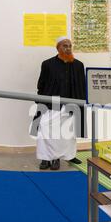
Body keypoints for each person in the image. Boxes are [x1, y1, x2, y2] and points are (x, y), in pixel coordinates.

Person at [32, 37, 86, 170]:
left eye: (70, 46)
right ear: (58, 48)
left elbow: (82, 86)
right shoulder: (47, 64)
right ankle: (45, 158)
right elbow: (41, 85)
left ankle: (66, 156)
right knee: (45, 130)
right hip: (51, 104)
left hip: (70, 105)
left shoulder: (78, 65)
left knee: (67, 134)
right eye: (65, 46)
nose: (68, 48)